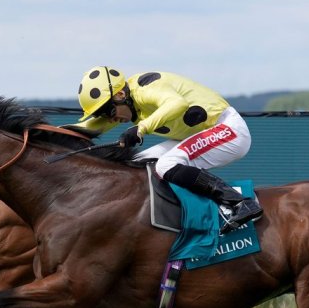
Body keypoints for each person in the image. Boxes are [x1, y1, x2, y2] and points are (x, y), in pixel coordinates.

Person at [74, 65, 262, 233]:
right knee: (136, 163)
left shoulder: (145, 90)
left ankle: (240, 203)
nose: (110, 119)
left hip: (229, 130)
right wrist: (49, 133)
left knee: (166, 165)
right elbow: (88, 128)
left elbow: (176, 104)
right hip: (202, 134)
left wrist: (141, 128)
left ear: (121, 95)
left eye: (108, 112)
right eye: (102, 115)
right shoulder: (126, 103)